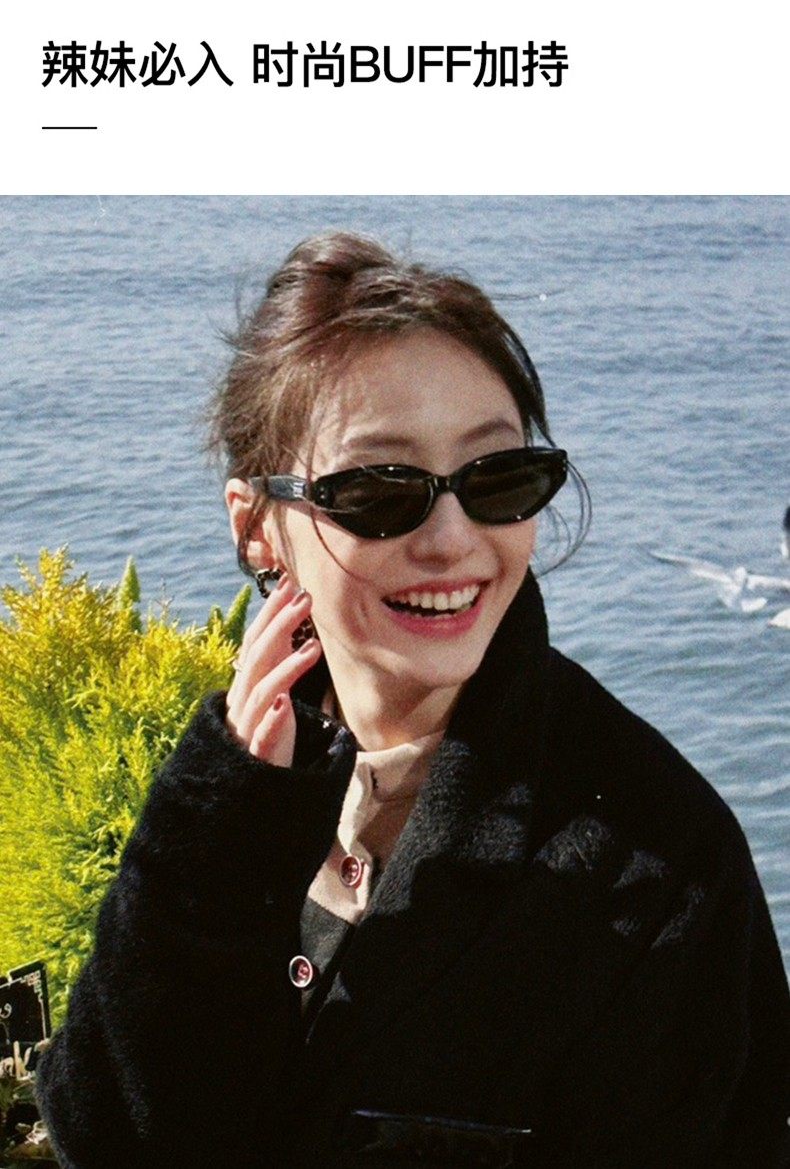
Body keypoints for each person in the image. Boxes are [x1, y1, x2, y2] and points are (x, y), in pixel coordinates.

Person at [36, 233, 789, 1168]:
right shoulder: (240, 780)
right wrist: (217, 842)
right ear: (257, 526)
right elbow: (109, 1134)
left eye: (498, 478)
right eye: (378, 489)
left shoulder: (660, 865)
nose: (450, 540)